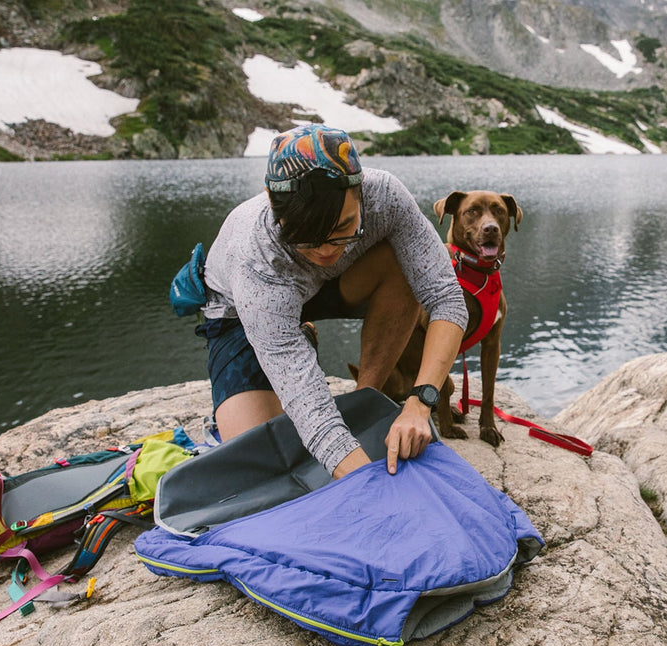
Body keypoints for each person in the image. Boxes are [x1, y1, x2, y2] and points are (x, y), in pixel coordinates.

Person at [195, 124, 466, 478]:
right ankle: (294, 334)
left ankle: (367, 397)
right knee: (263, 461)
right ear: (270, 198)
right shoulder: (254, 254)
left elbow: (445, 297)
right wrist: (363, 482)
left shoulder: (384, 196)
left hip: (327, 285)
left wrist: (421, 402)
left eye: (343, 228)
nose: (326, 249)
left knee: (403, 263)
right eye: (305, 237)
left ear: (360, 188)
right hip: (243, 313)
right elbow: (313, 413)